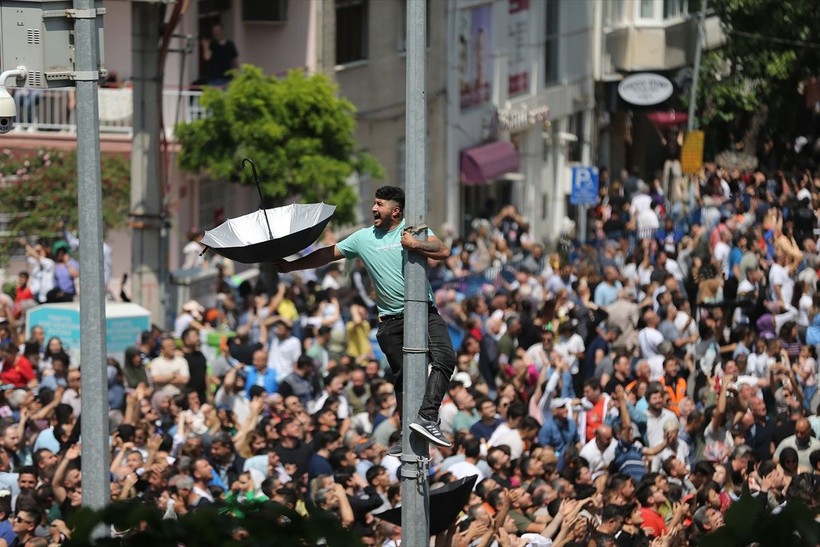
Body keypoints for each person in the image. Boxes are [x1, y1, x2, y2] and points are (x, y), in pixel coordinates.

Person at [276, 186, 456, 451]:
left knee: (445, 358)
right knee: (403, 378)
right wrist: (291, 265)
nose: (373, 208)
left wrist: (416, 244)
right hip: (389, 320)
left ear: (395, 211)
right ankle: (405, 437)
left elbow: (443, 251)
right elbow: (329, 253)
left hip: (422, 313)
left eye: (379, 204)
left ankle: (428, 416)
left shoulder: (412, 229)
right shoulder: (363, 237)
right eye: (374, 203)